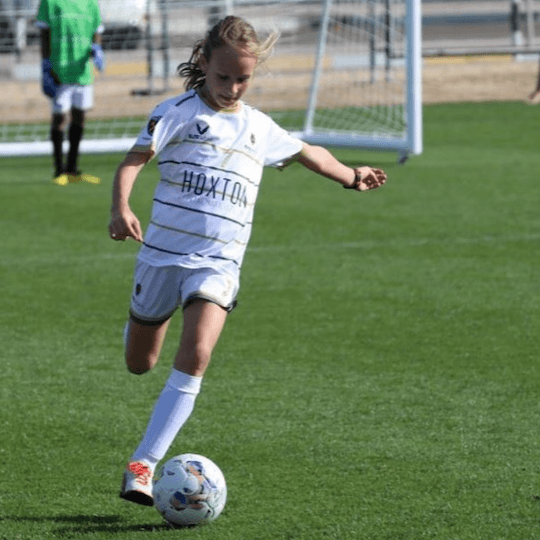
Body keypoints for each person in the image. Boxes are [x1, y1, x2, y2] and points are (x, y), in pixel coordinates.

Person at [108, 15, 387, 507]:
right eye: (223, 77)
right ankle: (141, 323)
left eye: (243, 79)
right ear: (203, 63)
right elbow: (134, 160)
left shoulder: (258, 127)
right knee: (139, 363)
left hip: (217, 264)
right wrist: (121, 207)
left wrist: (350, 174)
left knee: (196, 355)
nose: (232, 88)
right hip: (161, 258)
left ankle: (143, 464)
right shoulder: (174, 112)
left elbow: (306, 151)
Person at [36, 0, 105, 185]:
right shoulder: (50, 2)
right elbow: (44, 33)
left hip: (82, 72)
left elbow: (97, 31)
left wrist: (97, 48)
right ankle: (59, 170)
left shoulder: (91, 3)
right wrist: (46, 64)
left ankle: (73, 169)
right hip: (59, 70)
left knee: (79, 117)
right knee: (59, 118)